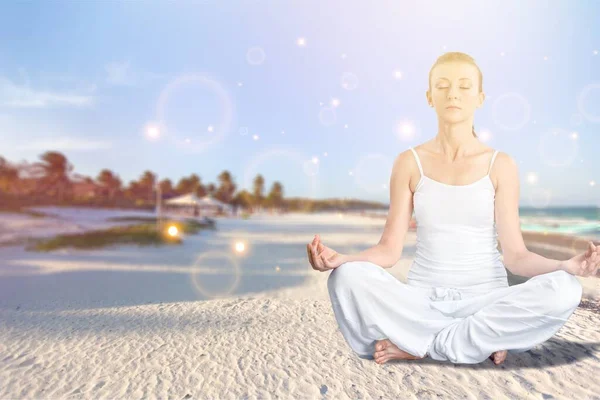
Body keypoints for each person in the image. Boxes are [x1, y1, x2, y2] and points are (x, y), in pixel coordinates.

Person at [306, 51, 600, 365]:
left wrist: (567, 265)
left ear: (480, 97)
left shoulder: (500, 164)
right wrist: (342, 259)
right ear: (430, 97)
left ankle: (422, 344)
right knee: (344, 279)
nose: (453, 94)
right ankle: (475, 341)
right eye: (443, 86)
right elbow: (388, 250)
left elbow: (517, 257)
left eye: (464, 85)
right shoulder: (408, 162)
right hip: (422, 302)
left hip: (486, 300)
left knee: (565, 289)